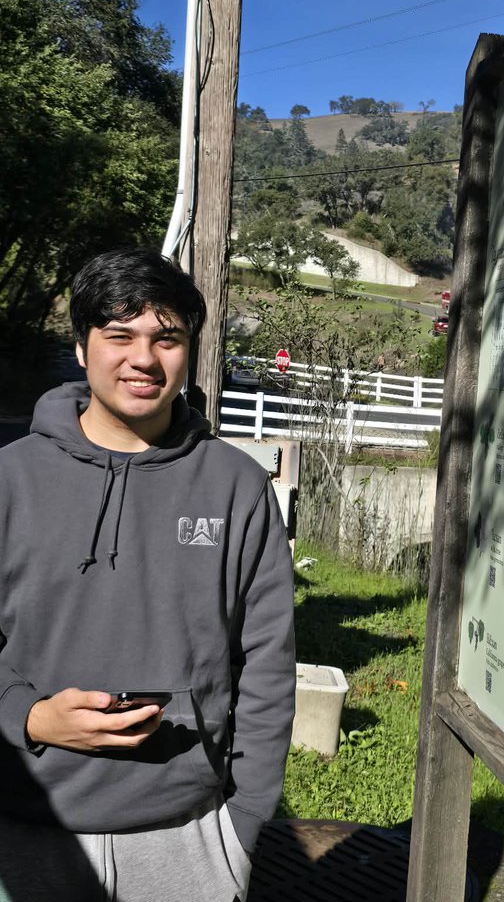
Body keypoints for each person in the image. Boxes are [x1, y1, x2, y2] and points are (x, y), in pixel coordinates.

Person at [0, 248, 296, 902]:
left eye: (168, 338)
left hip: (189, 834)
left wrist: (244, 823)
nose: (143, 357)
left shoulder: (237, 489)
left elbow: (268, 663)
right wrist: (27, 716)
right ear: (81, 348)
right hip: (23, 818)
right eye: (119, 335)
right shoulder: (11, 479)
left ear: (188, 350)